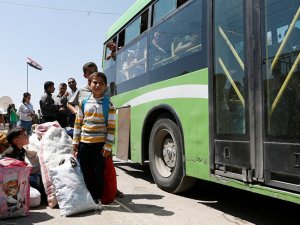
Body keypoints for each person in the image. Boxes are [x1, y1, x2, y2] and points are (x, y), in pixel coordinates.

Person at [72, 72, 115, 205]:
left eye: (101, 83)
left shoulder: (108, 105)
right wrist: (75, 142)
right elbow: (78, 123)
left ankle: (98, 197)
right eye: (95, 82)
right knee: (86, 171)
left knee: (99, 172)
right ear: (89, 85)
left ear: (106, 86)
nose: (97, 85)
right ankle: (89, 196)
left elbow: (112, 128)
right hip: (84, 144)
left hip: (100, 145)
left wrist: (108, 146)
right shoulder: (83, 102)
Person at [5, 127, 45, 196]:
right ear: (16, 141)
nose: (27, 136)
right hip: (11, 179)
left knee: (40, 176)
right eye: (25, 135)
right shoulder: (10, 152)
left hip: (19, 175)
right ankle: (41, 196)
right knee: (36, 178)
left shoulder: (22, 150)